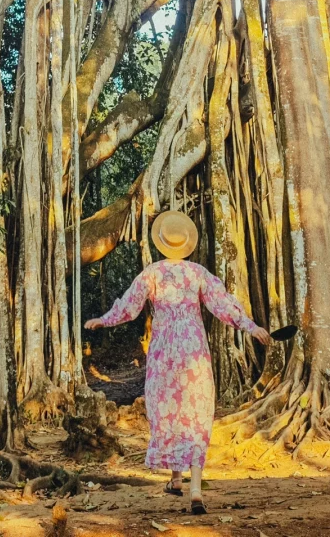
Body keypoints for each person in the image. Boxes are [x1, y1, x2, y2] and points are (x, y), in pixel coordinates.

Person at [84, 210, 270, 513]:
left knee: (168, 411)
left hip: (164, 353)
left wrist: (103, 321)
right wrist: (251, 326)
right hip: (193, 350)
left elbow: (129, 307)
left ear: (161, 243)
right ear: (186, 244)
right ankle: (190, 486)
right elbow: (223, 306)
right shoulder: (198, 273)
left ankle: (176, 479)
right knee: (194, 412)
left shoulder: (152, 273)